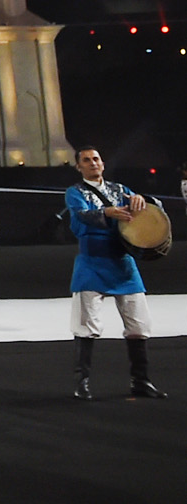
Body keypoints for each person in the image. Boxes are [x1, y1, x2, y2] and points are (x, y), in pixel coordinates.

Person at [65, 147, 166, 400]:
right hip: (92, 262)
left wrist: (145, 200)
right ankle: (82, 382)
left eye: (96, 159)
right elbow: (80, 216)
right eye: (86, 160)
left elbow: (152, 207)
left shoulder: (120, 190)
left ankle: (141, 381)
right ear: (79, 167)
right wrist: (106, 213)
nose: (92, 163)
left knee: (139, 324)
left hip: (122, 261)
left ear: (103, 163)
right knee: (86, 325)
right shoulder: (75, 192)